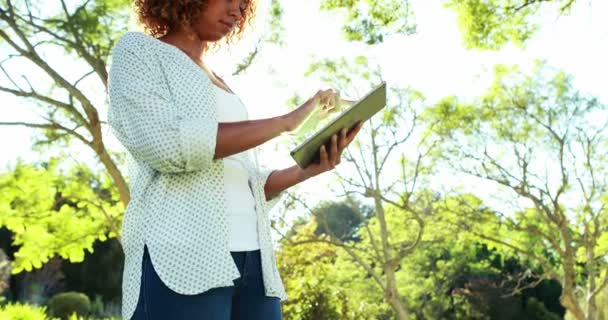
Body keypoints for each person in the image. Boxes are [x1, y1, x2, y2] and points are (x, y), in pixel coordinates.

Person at [106, 0, 364, 319]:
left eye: (244, 5)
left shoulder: (220, 81)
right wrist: (288, 121)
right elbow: (168, 145)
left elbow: (245, 181)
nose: (237, 12)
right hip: (182, 256)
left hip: (254, 262)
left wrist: (306, 169)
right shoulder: (139, 51)